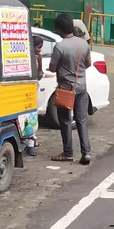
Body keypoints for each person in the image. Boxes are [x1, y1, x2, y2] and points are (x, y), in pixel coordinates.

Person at [48, 13, 92, 165]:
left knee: (65, 121)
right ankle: (86, 153)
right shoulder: (83, 44)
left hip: (65, 90)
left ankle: (68, 153)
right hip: (81, 88)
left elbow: (52, 68)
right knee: (81, 120)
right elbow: (88, 64)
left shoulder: (60, 47)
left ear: (60, 29)